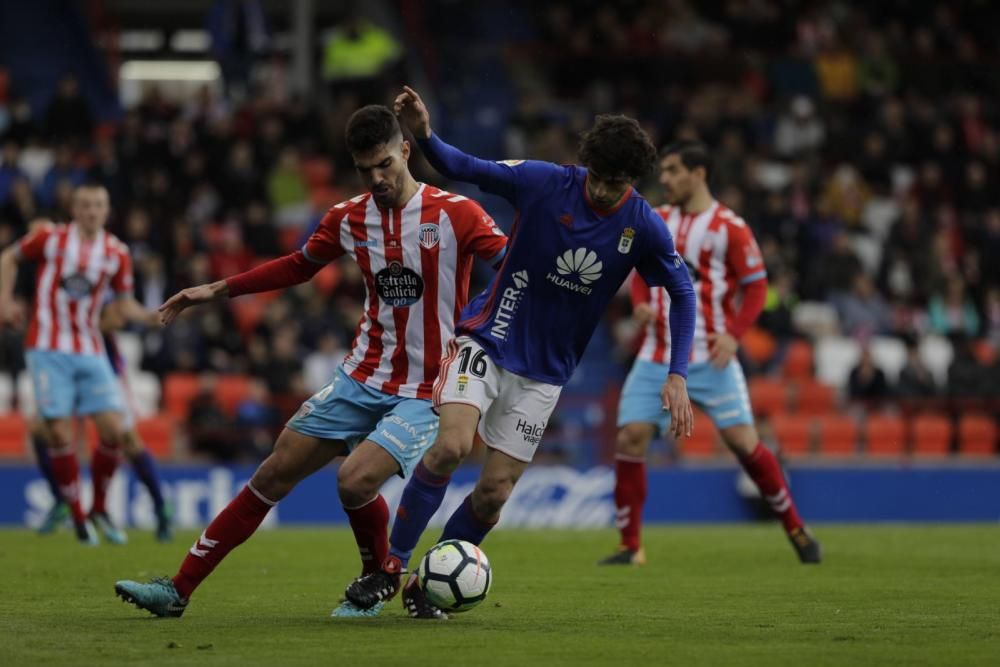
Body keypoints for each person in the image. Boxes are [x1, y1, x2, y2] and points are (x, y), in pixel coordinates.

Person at [113, 104, 508, 618]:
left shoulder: (458, 214)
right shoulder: (349, 218)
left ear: (406, 151)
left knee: (354, 480)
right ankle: (178, 590)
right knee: (272, 474)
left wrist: (490, 331)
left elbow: (512, 270)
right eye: (366, 170)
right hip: (361, 375)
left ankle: (376, 580)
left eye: (385, 164)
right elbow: (299, 266)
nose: (377, 178)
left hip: (426, 389)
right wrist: (216, 289)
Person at [345, 86, 696, 619]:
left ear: (632, 182)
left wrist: (678, 373)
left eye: (616, 183)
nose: (603, 191)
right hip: (488, 338)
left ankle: (426, 586)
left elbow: (683, 290)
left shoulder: (642, 224)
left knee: (494, 494)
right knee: (451, 447)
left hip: (545, 375)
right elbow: (464, 165)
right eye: (597, 177)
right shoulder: (545, 181)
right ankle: (389, 569)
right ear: (586, 166)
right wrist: (424, 131)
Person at [600, 141, 820, 567]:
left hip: (713, 357)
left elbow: (757, 286)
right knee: (630, 437)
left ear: (699, 174)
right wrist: (643, 301)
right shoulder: (657, 219)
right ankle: (631, 546)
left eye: (673, 170)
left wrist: (735, 333)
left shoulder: (730, 227)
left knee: (743, 443)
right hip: (656, 355)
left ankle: (795, 526)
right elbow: (644, 269)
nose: (664, 179)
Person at [0, 187, 158, 545]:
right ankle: (77, 519)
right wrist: (4, 302)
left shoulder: (117, 252)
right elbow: (8, 258)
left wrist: (152, 316)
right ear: (74, 208)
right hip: (47, 347)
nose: (92, 211)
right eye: (85, 205)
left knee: (114, 430)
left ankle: (99, 508)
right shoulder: (50, 239)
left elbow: (124, 303)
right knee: (57, 432)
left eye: (98, 205)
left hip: (90, 348)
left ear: (107, 210)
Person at [33, 304, 174, 542]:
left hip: (107, 373)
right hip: (68, 369)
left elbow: (116, 317)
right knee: (40, 431)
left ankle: (159, 506)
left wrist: (140, 315)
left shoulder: (100, 287)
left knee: (125, 438)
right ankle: (62, 500)